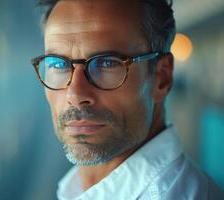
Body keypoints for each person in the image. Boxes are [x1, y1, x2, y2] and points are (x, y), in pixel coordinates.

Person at [30, 0, 224, 199]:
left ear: (161, 78)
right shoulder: (74, 188)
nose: (75, 95)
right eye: (57, 64)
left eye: (106, 63)